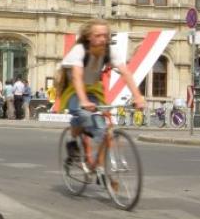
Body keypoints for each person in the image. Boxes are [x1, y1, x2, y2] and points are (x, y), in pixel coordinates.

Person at [59, 19, 147, 170]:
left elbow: (126, 73)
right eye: (98, 35)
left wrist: (138, 96)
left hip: (93, 88)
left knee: (102, 126)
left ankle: (98, 168)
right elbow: (77, 77)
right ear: (88, 36)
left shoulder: (109, 52)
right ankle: (72, 140)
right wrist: (84, 101)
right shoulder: (79, 50)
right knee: (83, 114)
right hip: (72, 89)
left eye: (105, 36)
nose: (102, 39)